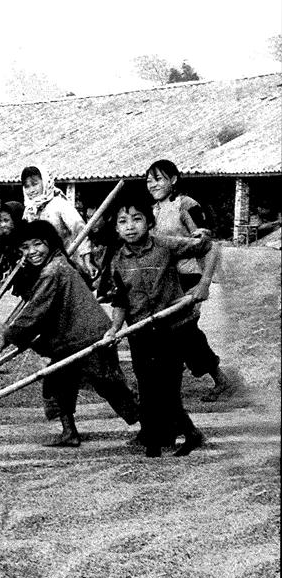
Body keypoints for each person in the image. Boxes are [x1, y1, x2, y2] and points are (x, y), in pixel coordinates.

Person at [1, 219, 139, 448]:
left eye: (37, 244)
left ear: (50, 243)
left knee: (111, 386)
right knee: (57, 381)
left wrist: (9, 335)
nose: (32, 252)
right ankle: (69, 433)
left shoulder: (54, 270)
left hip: (90, 337)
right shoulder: (55, 265)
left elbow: (36, 310)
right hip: (69, 339)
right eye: (25, 247)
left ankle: (157, 424)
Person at [105, 191, 220, 458]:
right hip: (141, 332)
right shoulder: (118, 261)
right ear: (116, 227)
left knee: (167, 387)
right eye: (123, 221)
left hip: (172, 329)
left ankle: (179, 436)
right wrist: (114, 328)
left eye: (137, 219)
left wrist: (204, 283)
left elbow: (210, 247)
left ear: (150, 222)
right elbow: (120, 299)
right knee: (147, 387)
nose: (130, 226)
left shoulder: (165, 245)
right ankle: (161, 439)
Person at [145, 159, 229, 401]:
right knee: (173, 331)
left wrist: (204, 282)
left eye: (158, 179)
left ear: (173, 180)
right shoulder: (151, 210)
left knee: (184, 329)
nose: (152, 185)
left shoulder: (185, 205)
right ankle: (177, 380)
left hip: (188, 275)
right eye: (149, 181)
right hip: (163, 279)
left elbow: (207, 244)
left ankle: (219, 378)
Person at [21, 166, 97, 280]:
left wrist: (87, 261)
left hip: (67, 262)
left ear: (45, 182)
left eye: (35, 184)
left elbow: (80, 230)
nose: (31, 190)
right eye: (27, 186)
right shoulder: (29, 211)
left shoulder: (60, 204)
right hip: (42, 266)